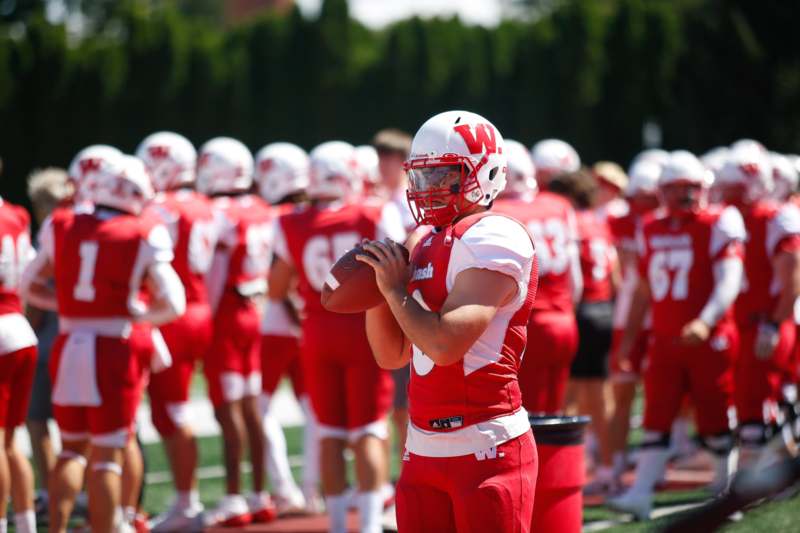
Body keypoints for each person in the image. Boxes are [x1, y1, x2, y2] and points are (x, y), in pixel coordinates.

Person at [361, 110, 538, 532]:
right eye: (422, 176)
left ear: (485, 173)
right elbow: (389, 355)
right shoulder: (421, 239)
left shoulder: (495, 236)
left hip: (486, 449)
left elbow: (444, 346)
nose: (429, 188)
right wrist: (372, 292)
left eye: (444, 175)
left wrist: (394, 292)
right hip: (422, 451)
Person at [21, 151, 185, 533]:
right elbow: (173, 303)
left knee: (71, 449)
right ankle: (109, 526)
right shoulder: (143, 230)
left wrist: (66, 306)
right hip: (113, 346)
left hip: (70, 339)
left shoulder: (61, 223)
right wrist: (136, 315)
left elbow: (29, 285)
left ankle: (56, 527)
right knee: (108, 456)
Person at [268, 140, 404, 533]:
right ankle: (368, 526)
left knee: (328, 431)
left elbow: (276, 288)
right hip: (364, 328)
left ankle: (340, 525)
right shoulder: (373, 212)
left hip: (317, 330)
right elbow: (398, 265)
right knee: (368, 428)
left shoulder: (290, 221)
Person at [608, 151, 745, 520]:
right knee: (656, 414)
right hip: (666, 338)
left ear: (703, 188)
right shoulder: (650, 226)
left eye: (691, 188)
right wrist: (628, 341)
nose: (685, 197)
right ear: (662, 192)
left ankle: (726, 491)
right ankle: (640, 494)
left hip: (709, 338)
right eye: (676, 189)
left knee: (715, 413)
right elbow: (640, 290)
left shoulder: (719, 221)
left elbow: (730, 281)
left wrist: (706, 320)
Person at [136, 131, 216, 531]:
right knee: (171, 410)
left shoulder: (162, 208)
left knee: (170, 412)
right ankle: (187, 500)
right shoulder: (202, 204)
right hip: (199, 308)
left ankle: (187, 503)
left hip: (172, 313)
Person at [198, 137, 277, 527]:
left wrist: (204, 320)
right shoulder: (262, 208)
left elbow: (213, 275)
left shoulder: (219, 212)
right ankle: (259, 493)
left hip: (227, 315)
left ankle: (233, 496)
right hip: (255, 311)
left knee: (228, 411)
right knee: (250, 407)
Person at [716, 146, 800, 469]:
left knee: (762, 400)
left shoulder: (777, 216)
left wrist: (775, 323)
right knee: (748, 401)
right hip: (741, 324)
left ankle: (761, 476)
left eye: (734, 190)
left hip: (765, 321)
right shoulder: (728, 218)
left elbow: (791, 277)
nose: (727, 196)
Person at [253, 141, 317, 514]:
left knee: (260, 408)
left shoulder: (267, 216)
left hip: (272, 319)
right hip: (307, 318)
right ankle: (310, 489)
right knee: (312, 408)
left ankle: (285, 487)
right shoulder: (310, 214)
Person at [496, 141, 581, 414]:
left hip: (530, 325)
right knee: (555, 413)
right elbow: (576, 281)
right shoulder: (559, 205)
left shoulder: (498, 213)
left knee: (526, 414)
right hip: (565, 320)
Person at [548, 170, 619, 494]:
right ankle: (607, 466)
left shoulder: (571, 220)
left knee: (569, 397)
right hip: (603, 308)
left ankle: (567, 470)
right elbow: (615, 276)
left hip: (582, 310)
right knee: (598, 395)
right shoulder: (598, 220)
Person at [606, 159, 662, 488]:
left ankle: (660, 460)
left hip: (662, 318)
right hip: (625, 317)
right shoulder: (617, 221)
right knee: (622, 392)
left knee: (661, 394)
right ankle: (614, 468)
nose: (644, 206)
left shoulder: (666, 223)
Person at [24, 168, 71, 519]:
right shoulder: (87, 229)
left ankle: (51, 492)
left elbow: (35, 299)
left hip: (50, 340)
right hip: (85, 340)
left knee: (38, 420)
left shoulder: (52, 235)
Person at [0, 189, 38, 533]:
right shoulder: (16, 214)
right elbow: (30, 273)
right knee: (11, 443)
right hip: (20, 327)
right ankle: (26, 525)